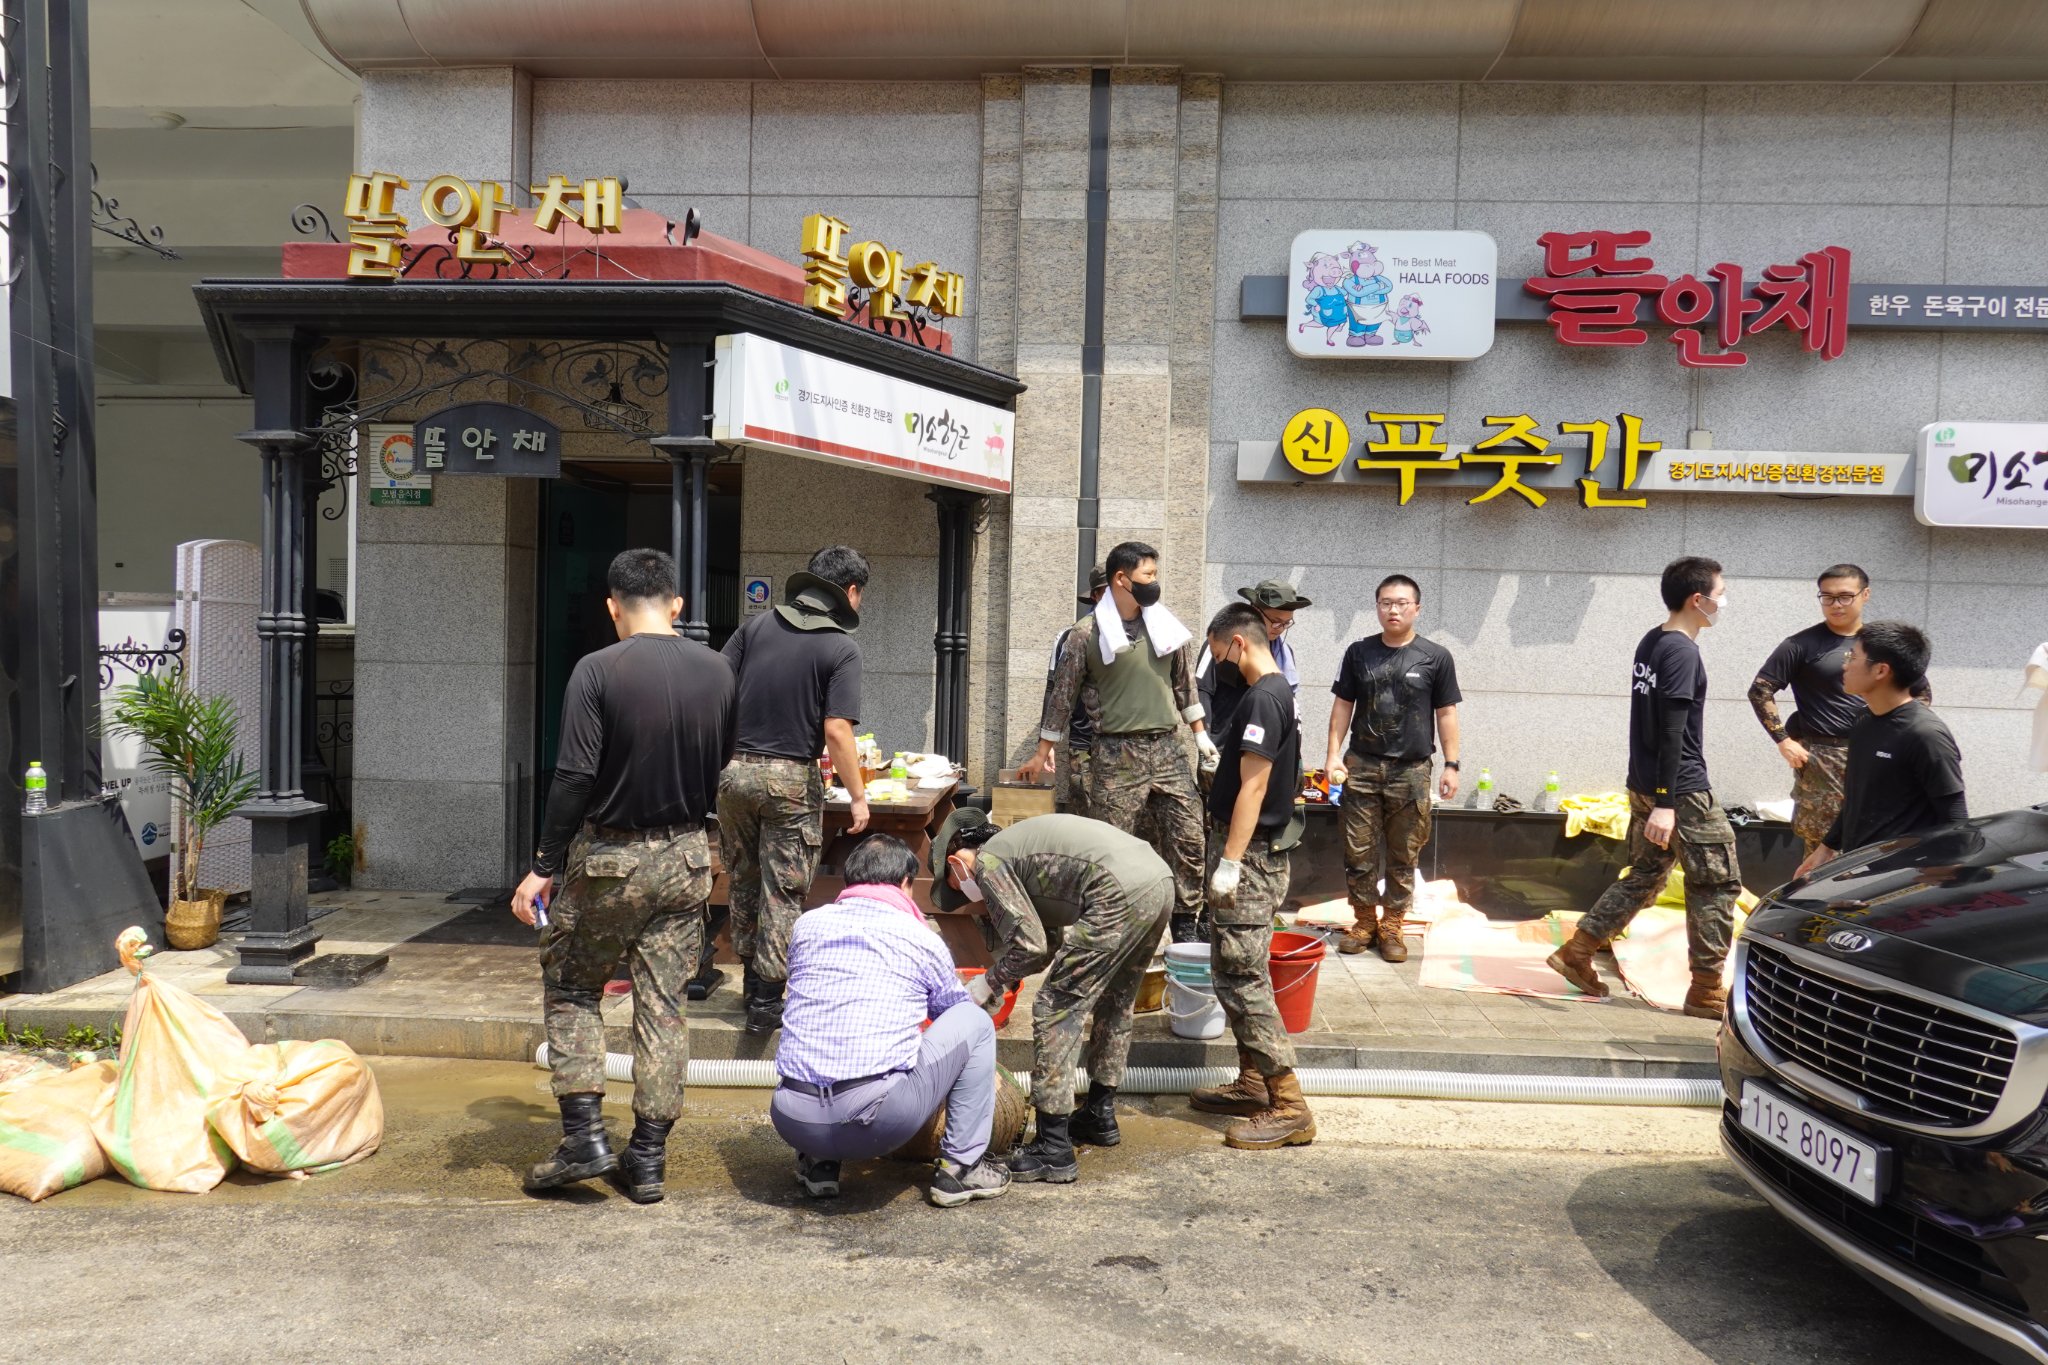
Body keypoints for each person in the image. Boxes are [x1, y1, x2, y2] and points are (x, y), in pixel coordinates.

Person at [512, 549, 736, 1203]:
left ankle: (583, 1137)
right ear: (677, 604)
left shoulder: (597, 669)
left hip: (610, 859)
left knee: (572, 987)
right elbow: (722, 763)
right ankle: (647, 1158)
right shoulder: (719, 670)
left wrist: (543, 866)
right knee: (663, 1006)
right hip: (688, 856)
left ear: (613, 607)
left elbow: (574, 776)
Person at [1546, 557, 1744, 1021]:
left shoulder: (1652, 640)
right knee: (1717, 884)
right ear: (1698, 599)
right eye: (1721, 594)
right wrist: (1666, 803)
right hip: (1680, 790)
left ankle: (1578, 950)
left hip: (1648, 784)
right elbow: (1672, 730)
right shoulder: (1681, 652)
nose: (1723, 602)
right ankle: (1706, 989)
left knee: (1647, 874)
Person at [932, 809, 1173, 1185]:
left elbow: (1029, 947)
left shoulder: (989, 862)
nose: (964, 895)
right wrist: (1001, 984)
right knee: (1116, 999)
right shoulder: (1020, 852)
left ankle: (1053, 1148)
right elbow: (1045, 945)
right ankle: (1098, 1115)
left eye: (954, 886)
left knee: (1056, 1007)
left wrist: (985, 984)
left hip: (1116, 890)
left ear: (955, 863)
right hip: (1157, 879)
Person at [769, 834, 1011, 1209]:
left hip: (792, 1118)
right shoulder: (920, 937)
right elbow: (951, 1011)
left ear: (851, 879)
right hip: (876, 1123)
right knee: (973, 1020)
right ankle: (961, 1169)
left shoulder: (807, 925)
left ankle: (819, 1163)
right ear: (905, 883)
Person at [1020, 541, 1215, 942]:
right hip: (1115, 753)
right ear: (1122, 579)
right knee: (1113, 846)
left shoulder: (1168, 628)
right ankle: (1113, 925)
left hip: (1168, 749)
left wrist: (1201, 736)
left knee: (1189, 837)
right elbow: (1062, 697)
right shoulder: (1085, 634)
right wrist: (1042, 753)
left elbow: (1185, 687)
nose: (1155, 582)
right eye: (1148, 574)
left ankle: (1184, 923)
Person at [719, 545, 870, 1036]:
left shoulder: (755, 628)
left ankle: (749, 981)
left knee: (743, 877)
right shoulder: (840, 647)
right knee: (782, 888)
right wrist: (858, 796)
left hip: (733, 772)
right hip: (790, 780)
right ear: (850, 591)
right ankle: (767, 1000)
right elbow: (837, 731)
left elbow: (716, 688)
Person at [1190, 604, 1316, 1150]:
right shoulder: (1272, 691)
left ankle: (1289, 1105)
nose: (1217, 662)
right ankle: (1253, 1081)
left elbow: (1255, 787)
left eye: (1218, 651)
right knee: (1232, 971)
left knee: (1243, 978)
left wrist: (1230, 861)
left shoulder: (1264, 696)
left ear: (1237, 643)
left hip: (1252, 856)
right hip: (1253, 850)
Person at [1325, 574, 1462, 962]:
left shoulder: (1435, 657)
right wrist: (1333, 754)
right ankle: (1365, 922)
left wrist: (1451, 764)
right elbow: (1342, 706)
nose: (1393, 610)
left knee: (1405, 854)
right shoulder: (1359, 652)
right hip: (1362, 766)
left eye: (1402, 603)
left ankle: (1392, 926)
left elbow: (1446, 713)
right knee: (1358, 852)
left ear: (1417, 608)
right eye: (1386, 603)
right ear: (1377, 607)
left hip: (1411, 770)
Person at [1794, 623, 1967, 878]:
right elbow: (1857, 799)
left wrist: (1942, 880)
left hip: (1902, 877)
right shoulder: (1863, 720)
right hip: (1860, 866)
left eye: (1852, 657)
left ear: (1881, 670)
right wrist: (1826, 848)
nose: (1844, 665)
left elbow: (1956, 820)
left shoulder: (1926, 734)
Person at [1749, 564, 1871, 854]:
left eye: (1845, 596)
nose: (1836, 604)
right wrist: (1783, 740)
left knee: (1872, 842)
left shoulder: (1881, 643)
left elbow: (1917, 693)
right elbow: (1760, 690)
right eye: (1827, 597)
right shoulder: (1801, 644)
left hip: (1875, 754)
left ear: (1865, 595)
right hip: (1823, 758)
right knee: (1822, 848)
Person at [1196, 579, 1308, 737]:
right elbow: (1202, 690)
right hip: (1222, 740)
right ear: (1255, 611)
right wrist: (1203, 735)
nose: (1280, 629)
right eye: (1276, 622)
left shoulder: (1285, 652)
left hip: (1263, 739)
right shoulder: (1222, 641)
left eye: (1286, 623)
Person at [1043, 566, 1108, 818]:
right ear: (1095, 596)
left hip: (1125, 744)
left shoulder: (1139, 635)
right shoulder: (1071, 636)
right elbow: (1054, 690)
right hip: (1083, 741)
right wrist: (1045, 743)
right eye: (1107, 592)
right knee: (1084, 812)